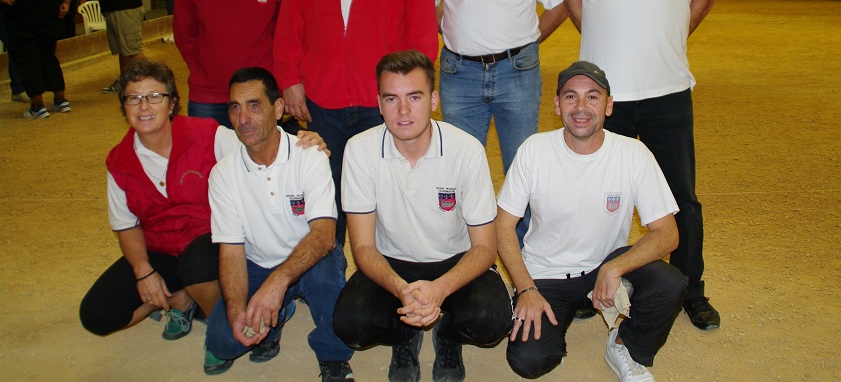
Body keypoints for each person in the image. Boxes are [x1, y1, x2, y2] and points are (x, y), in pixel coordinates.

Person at [557, 0, 724, 331]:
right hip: (606, 98)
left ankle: (691, 288)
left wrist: (667, 39)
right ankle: (596, 283)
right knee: (599, 198)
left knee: (680, 199)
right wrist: (609, 51)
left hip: (669, 90)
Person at [79, 60, 327, 369]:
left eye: (154, 96)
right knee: (97, 316)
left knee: (197, 267)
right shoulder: (118, 160)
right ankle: (179, 299)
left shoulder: (207, 135)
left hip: (207, 243)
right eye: (133, 98)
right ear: (124, 106)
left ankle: (215, 317)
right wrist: (144, 271)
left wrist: (305, 140)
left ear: (172, 103)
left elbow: (258, 137)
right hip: (161, 250)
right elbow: (125, 225)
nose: (144, 106)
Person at [274, 0, 438, 245]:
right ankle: (328, 282)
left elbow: (421, 25)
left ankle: (389, 281)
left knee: (389, 198)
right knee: (326, 200)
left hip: (382, 101)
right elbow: (289, 24)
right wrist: (289, 80)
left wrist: (413, 92)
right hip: (323, 100)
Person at [496, 61, 687, 381]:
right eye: (570, 97)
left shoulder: (633, 153)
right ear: (557, 105)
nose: (581, 107)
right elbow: (503, 226)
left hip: (605, 264)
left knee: (671, 282)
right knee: (530, 362)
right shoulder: (535, 150)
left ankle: (625, 345)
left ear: (609, 105)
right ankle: (560, 313)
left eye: (593, 97)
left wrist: (614, 268)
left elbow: (667, 234)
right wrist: (526, 287)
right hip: (547, 272)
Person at [334, 50, 512, 382]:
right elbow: (362, 247)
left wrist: (440, 289)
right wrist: (403, 290)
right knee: (351, 324)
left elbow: (485, 247)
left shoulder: (466, 150)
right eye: (391, 99)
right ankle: (405, 335)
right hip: (392, 260)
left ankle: (448, 334)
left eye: (414, 97)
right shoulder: (359, 150)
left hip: (456, 258)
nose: (403, 111)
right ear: (379, 102)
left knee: (493, 320)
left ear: (433, 100)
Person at [423, 0, 566, 244]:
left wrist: (526, 41)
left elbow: (560, 4)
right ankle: (467, 257)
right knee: (459, 168)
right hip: (458, 74)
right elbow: (421, 1)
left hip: (517, 72)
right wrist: (450, 27)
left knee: (521, 168)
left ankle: (523, 258)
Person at [205, 67, 354, 380]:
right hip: (258, 262)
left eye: (254, 105)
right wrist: (235, 311)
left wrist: (278, 281)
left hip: (313, 258)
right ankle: (280, 310)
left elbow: (325, 236)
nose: (243, 118)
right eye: (235, 107)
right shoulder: (222, 174)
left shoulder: (309, 155)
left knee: (330, 283)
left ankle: (332, 355)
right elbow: (230, 251)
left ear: (279, 108)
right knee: (222, 342)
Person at [0, 0, 76, 119]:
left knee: (28, 60)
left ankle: (37, 106)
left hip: (20, 20)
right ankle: (61, 100)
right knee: (49, 56)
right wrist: (66, 3)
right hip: (48, 18)